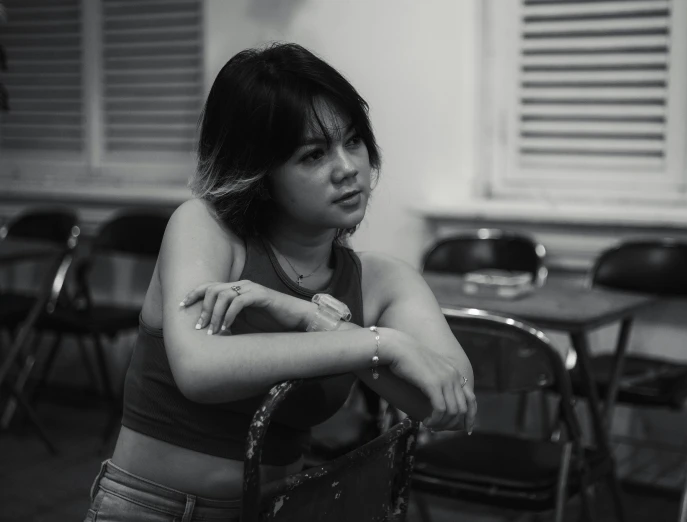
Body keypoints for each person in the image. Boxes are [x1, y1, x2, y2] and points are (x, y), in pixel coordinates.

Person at [83, 42, 476, 521]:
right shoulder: (206, 229)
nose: (348, 168)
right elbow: (199, 369)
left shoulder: (381, 279)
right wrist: (380, 345)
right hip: (156, 509)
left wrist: (316, 320)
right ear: (258, 172)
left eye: (353, 141)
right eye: (313, 155)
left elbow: (451, 401)